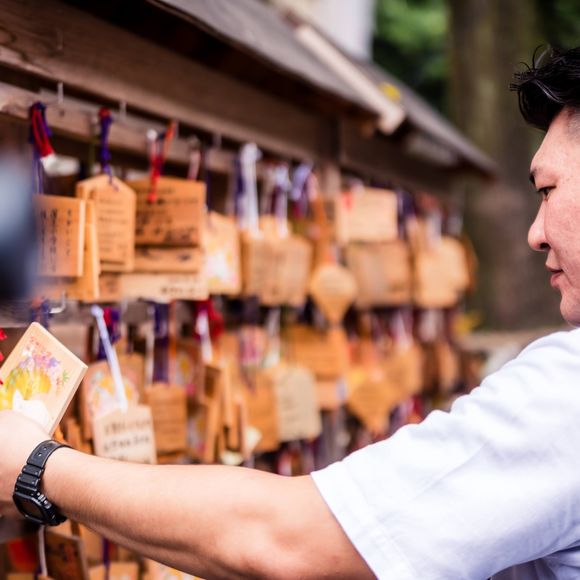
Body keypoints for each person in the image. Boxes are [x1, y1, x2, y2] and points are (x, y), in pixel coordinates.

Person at [1, 46, 580, 580]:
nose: (534, 233)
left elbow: (286, 540)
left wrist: (38, 465)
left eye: (547, 190)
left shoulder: (567, 396)